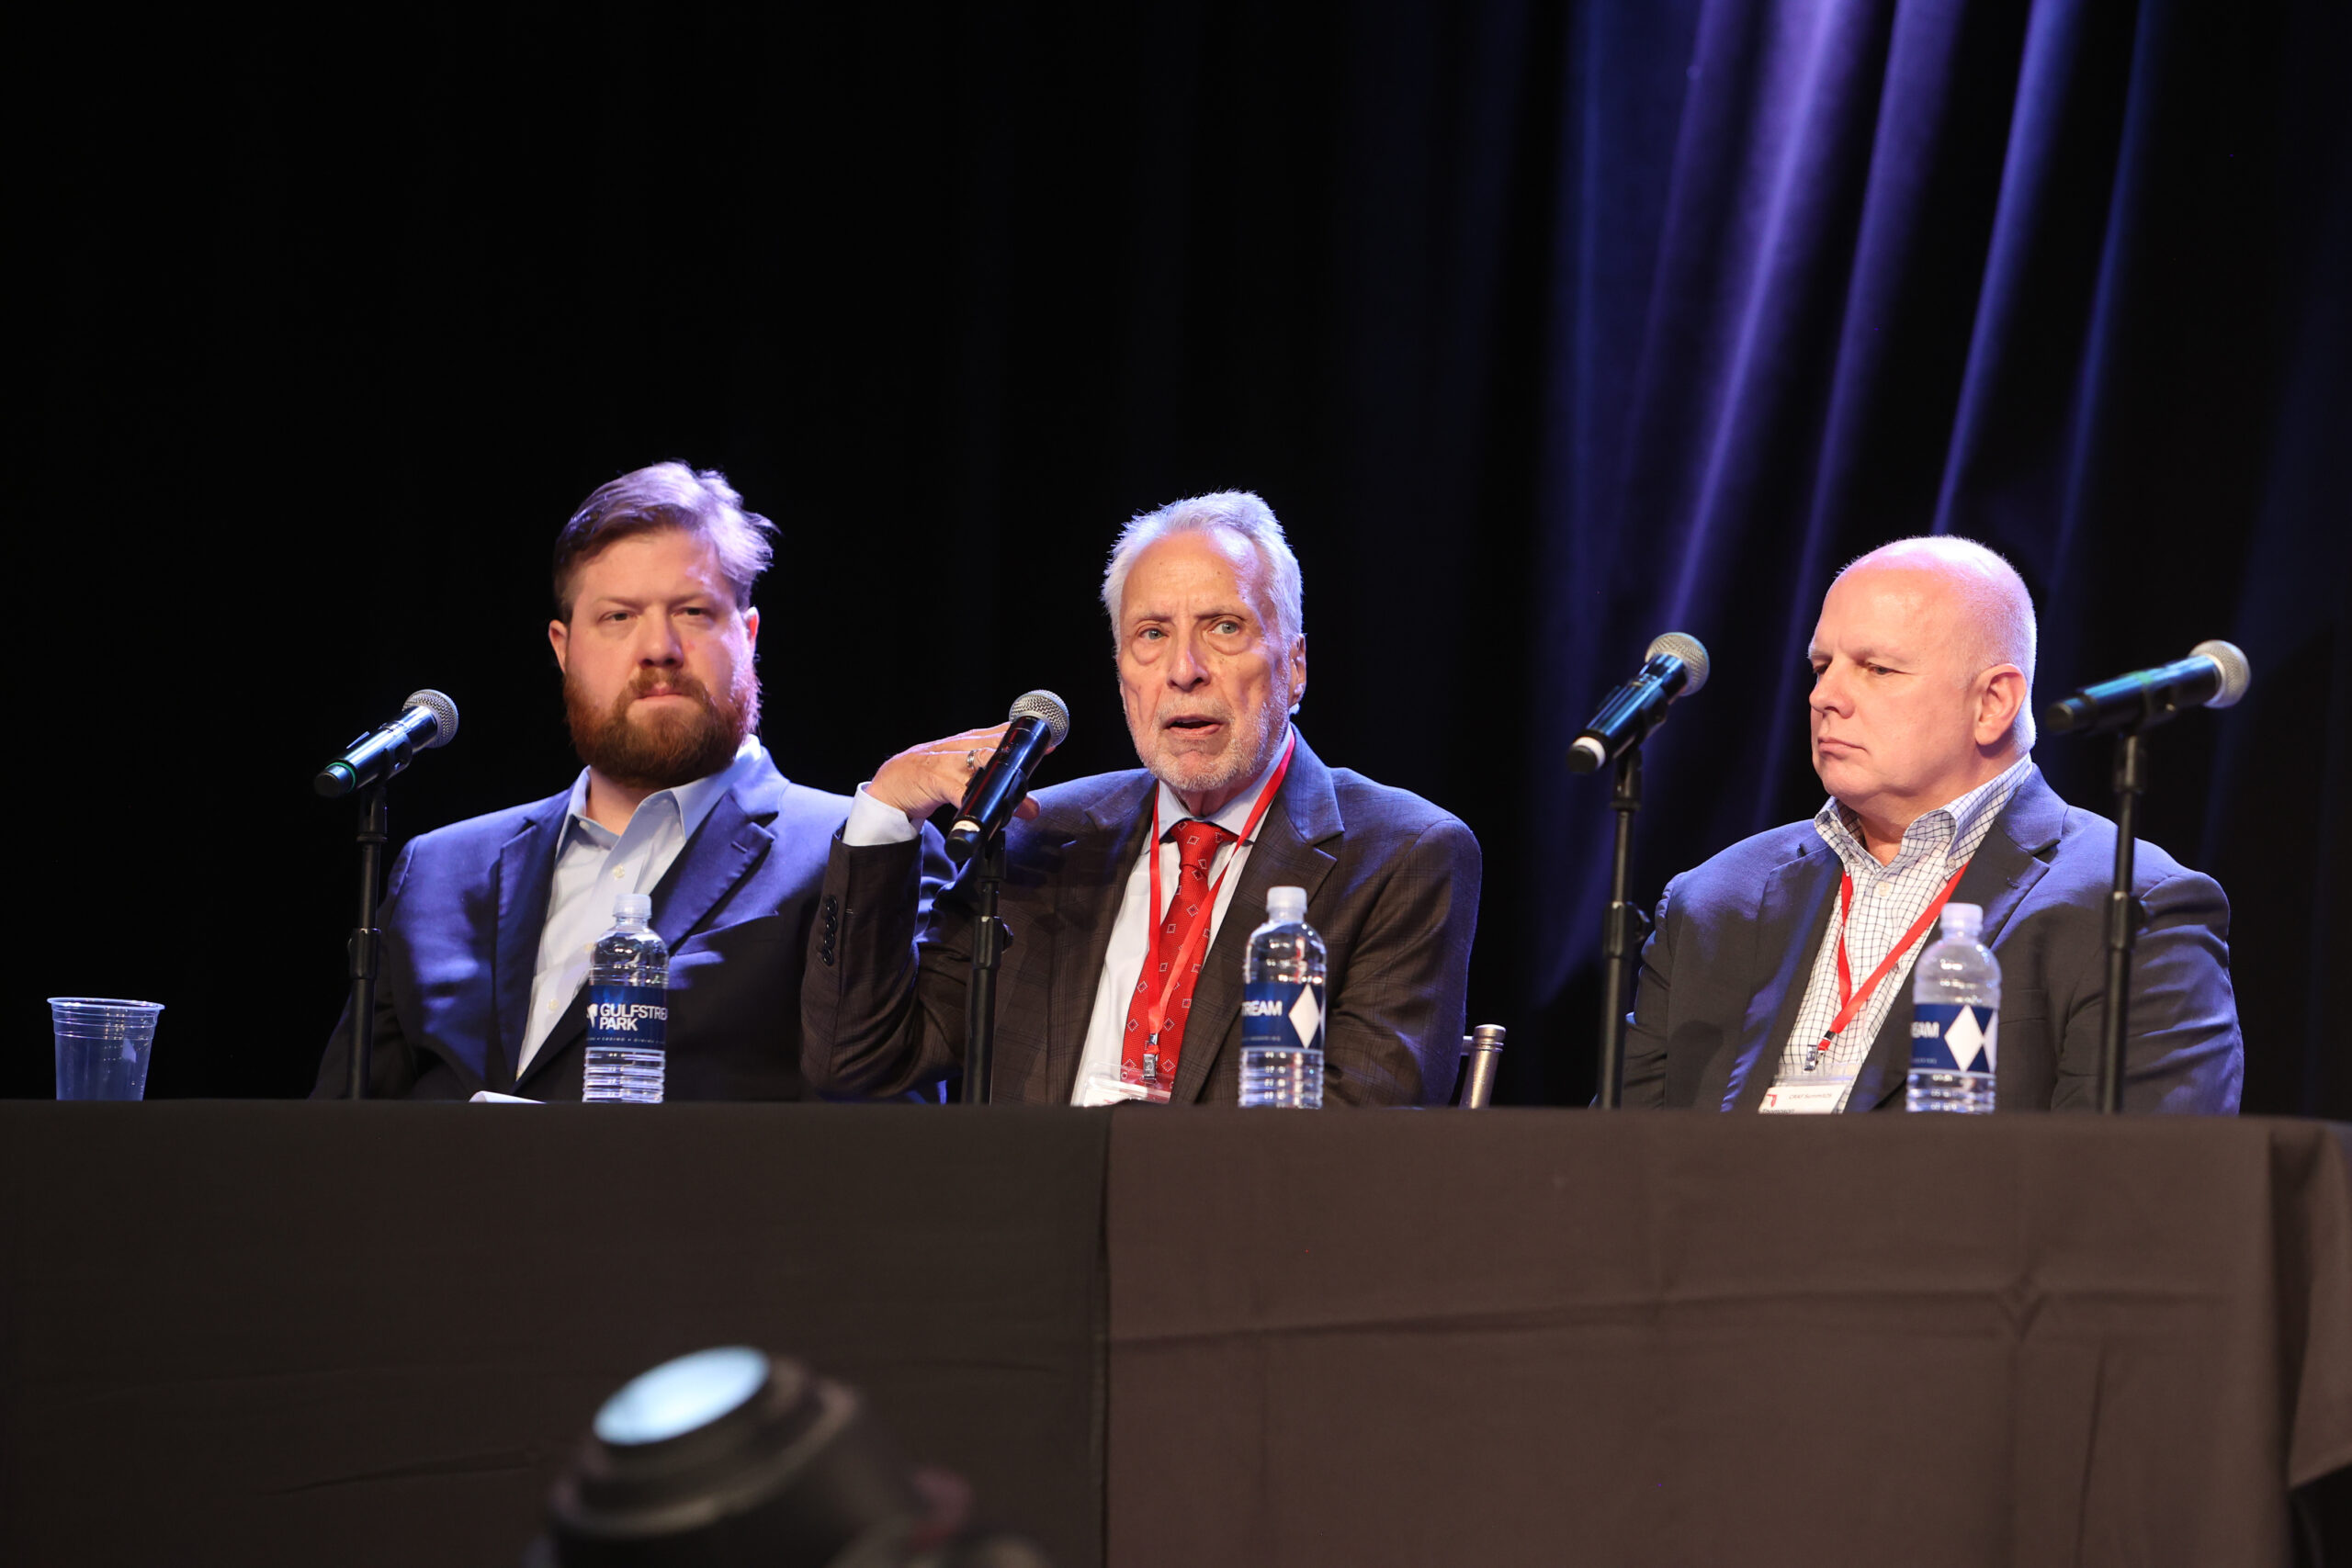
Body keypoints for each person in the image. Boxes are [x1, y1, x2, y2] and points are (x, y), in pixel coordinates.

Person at [802, 491, 1482, 1106]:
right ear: (1122, 672)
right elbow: (856, 1060)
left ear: (1295, 666)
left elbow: (1356, 1131)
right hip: (1031, 1205)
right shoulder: (1042, 840)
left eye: (1224, 627)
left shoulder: (1400, 856)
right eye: (1152, 634)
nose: (1184, 671)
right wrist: (885, 815)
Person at [313, 463, 941, 1100]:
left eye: (692, 611)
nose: (659, 647)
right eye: (618, 616)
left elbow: (890, 1127)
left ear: (747, 635)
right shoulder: (438, 871)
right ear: (562, 648)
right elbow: (335, 1138)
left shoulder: (857, 854)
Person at [1623, 536, 2243, 1113]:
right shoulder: (1711, 900)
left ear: (1992, 702)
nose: (1824, 696)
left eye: (1876, 668)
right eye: (1821, 665)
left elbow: (2137, 1183)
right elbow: (1618, 1160)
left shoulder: (2131, 906)